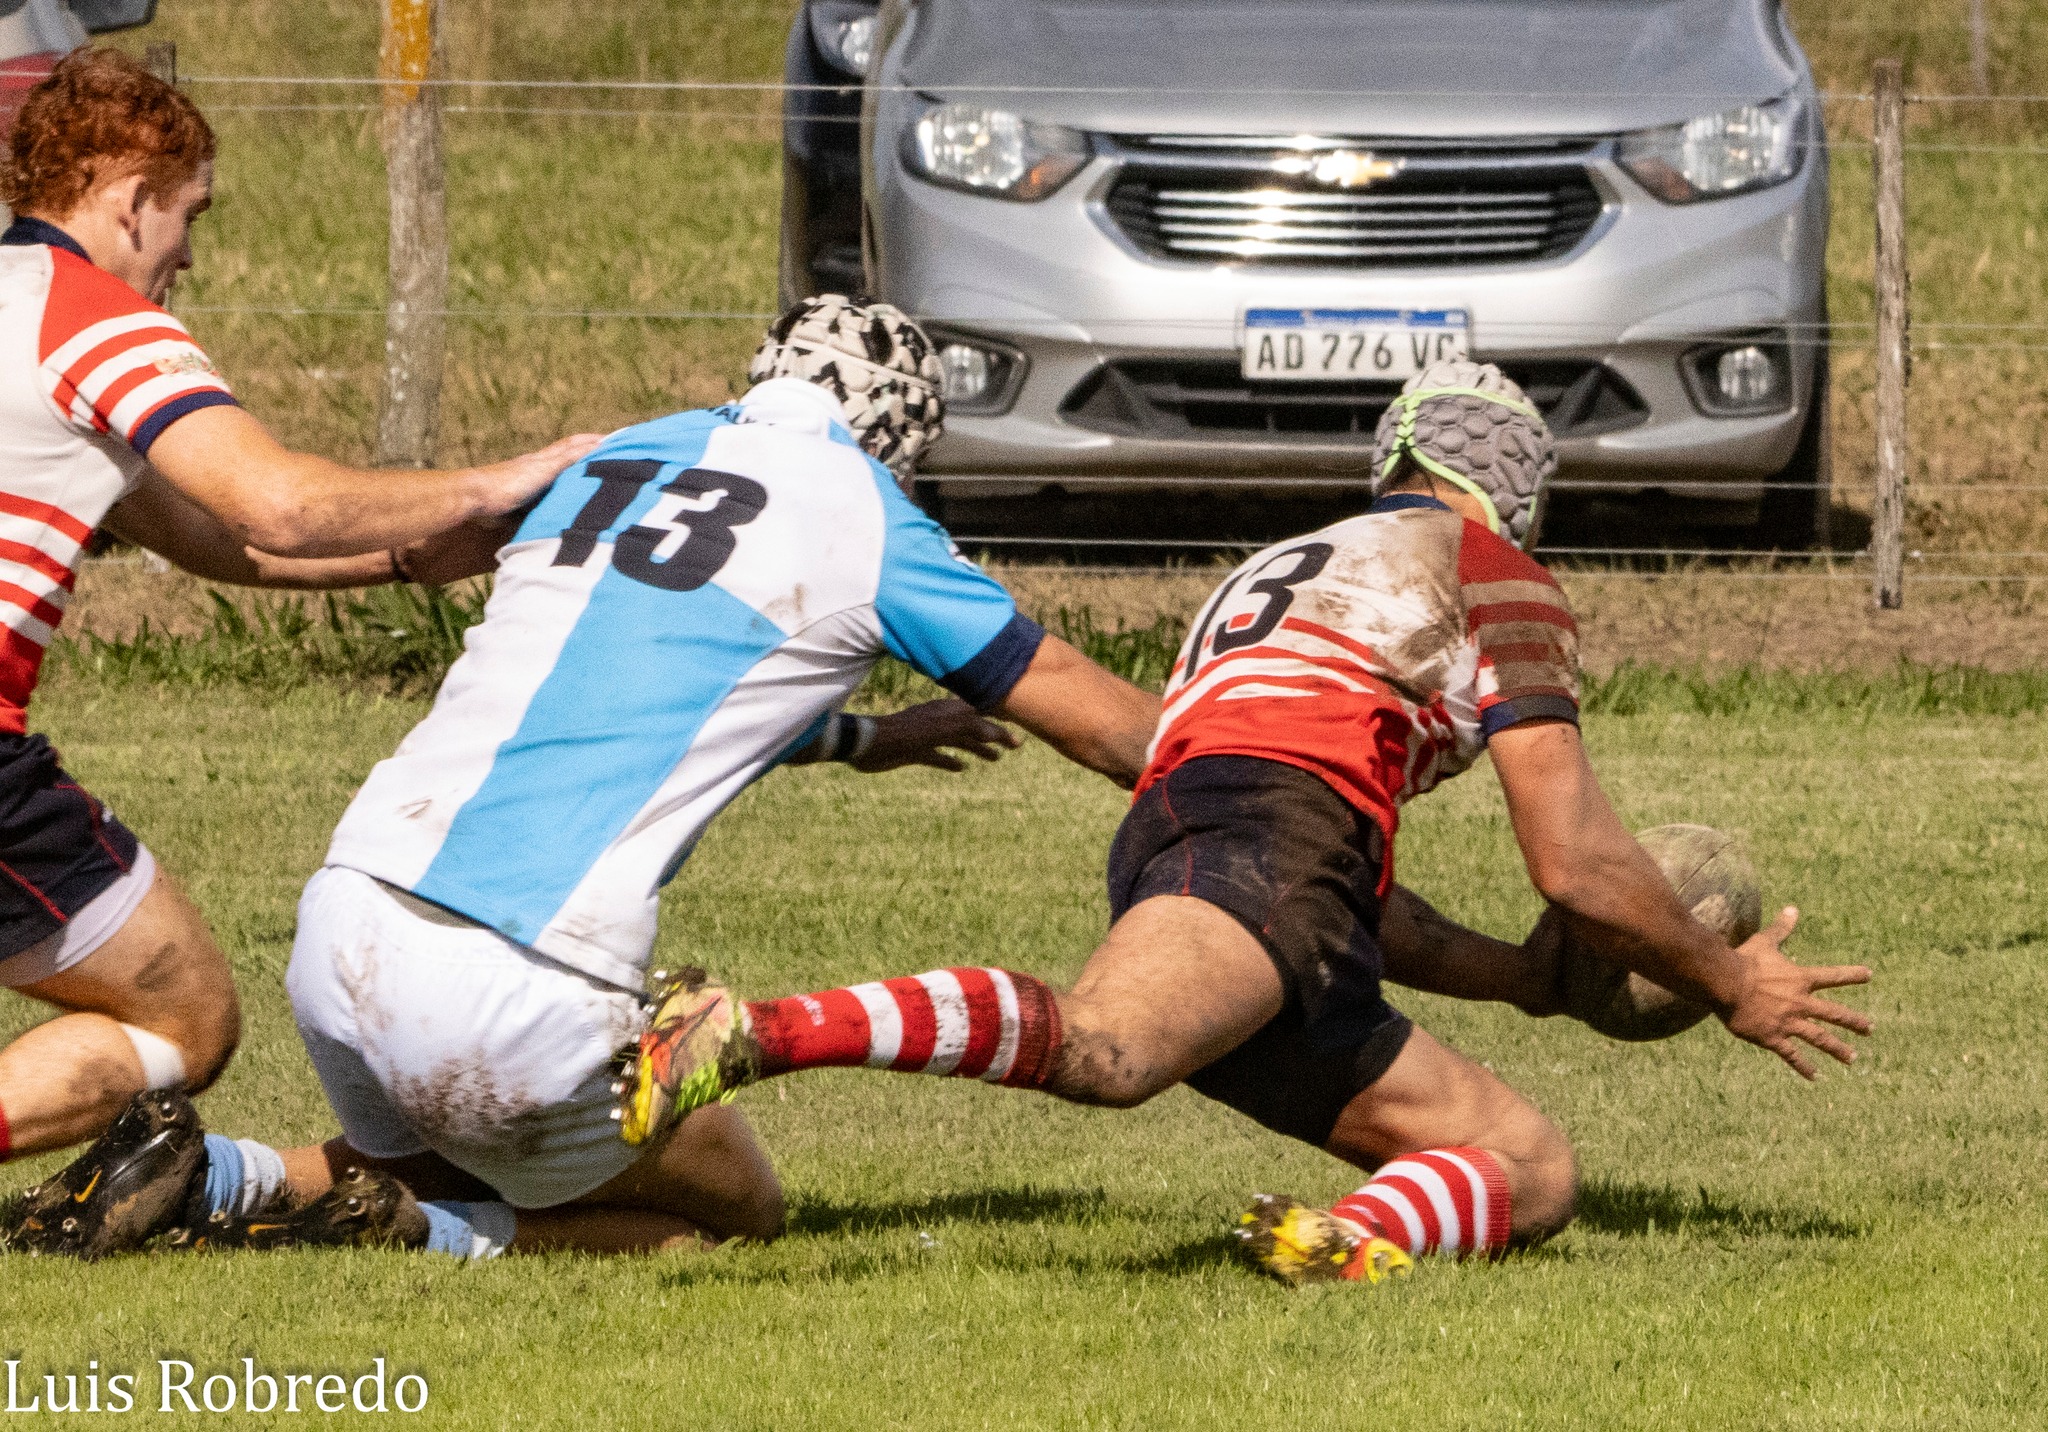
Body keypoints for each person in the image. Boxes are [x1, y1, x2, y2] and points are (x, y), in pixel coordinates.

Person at [614, 359, 1876, 1285]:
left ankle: (1343, 1234)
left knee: (1525, 1163)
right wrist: (1725, 981)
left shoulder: (1294, 564)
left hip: (1230, 839)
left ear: (1394, 467)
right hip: (1269, 842)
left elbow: (1340, 892)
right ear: (1519, 494)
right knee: (1107, 1052)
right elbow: (1575, 855)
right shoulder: (1493, 574)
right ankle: (753, 1030)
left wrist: (1527, 985)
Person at [4, 295, 1162, 1260]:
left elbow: (640, 680)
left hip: (342, 921)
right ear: (899, 438)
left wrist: (868, 738)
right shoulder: (867, 513)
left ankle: (204, 1175)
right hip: (517, 982)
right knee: (729, 1213)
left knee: (441, 1149)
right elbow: (1099, 721)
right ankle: (422, 1236)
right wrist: (1259, 769)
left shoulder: (621, 449)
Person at [0, 48, 599, 1170]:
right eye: (191, 215)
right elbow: (275, 505)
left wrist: (417, 557)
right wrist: (497, 478)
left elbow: (213, 539)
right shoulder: (97, 323)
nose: (188, 255)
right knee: (183, 1020)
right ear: (131, 198)